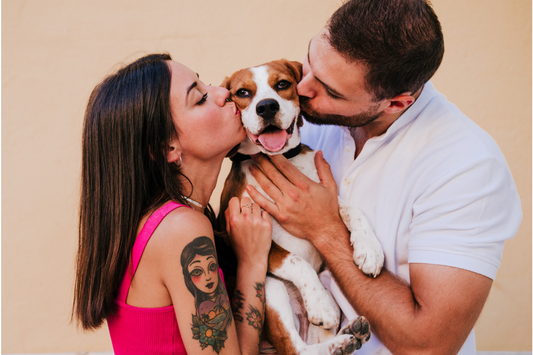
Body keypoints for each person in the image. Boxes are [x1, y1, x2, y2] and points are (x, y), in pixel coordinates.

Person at [245, 1, 522, 354]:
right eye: (309, 63)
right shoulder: (307, 123)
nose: (302, 89)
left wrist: (326, 229)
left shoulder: (466, 167)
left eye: (331, 91)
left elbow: (429, 345)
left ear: (396, 103)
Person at [73, 53, 273, 355]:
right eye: (200, 97)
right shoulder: (181, 229)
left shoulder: (157, 223)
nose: (223, 93)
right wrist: (252, 262)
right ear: (167, 146)